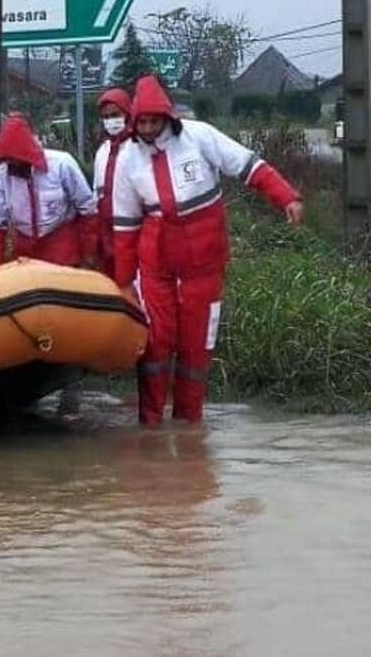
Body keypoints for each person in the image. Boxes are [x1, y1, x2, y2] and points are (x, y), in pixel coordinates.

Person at [112, 75, 303, 426]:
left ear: (167, 118)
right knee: (155, 344)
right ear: (135, 122)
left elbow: (249, 167)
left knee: (197, 346)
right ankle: (150, 422)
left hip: (205, 258)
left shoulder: (200, 136)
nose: (150, 128)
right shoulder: (128, 158)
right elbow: (124, 227)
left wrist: (286, 197)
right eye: (143, 122)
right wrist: (124, 283)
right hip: (157, 262)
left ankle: (189, 422)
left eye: (155, 121)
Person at [0, 112, 98, 269]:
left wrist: (89, 255)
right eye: (7, 160)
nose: (11, 165)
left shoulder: (61, 164)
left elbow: (88, 210)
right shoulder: (2, 176)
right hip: (25, 256)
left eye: (15, 159)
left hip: (64, 251)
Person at [92, 88, 134, 277]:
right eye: (106, 116)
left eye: (115, 115)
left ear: (127, 113)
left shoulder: (138, 147)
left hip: (132, 228)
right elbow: (97, 191)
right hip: (106, 229)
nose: (111, 120)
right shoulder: (103, 150)